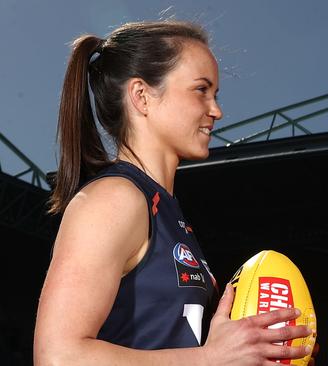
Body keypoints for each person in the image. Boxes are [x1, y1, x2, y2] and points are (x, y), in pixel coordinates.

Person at [34, 20, 312, 365]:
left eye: (216, 94)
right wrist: (210, 359)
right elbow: (58, 356)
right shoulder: (114, 199)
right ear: (141, 96)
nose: (216, 111)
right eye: (200, 90)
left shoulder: (165, 209)